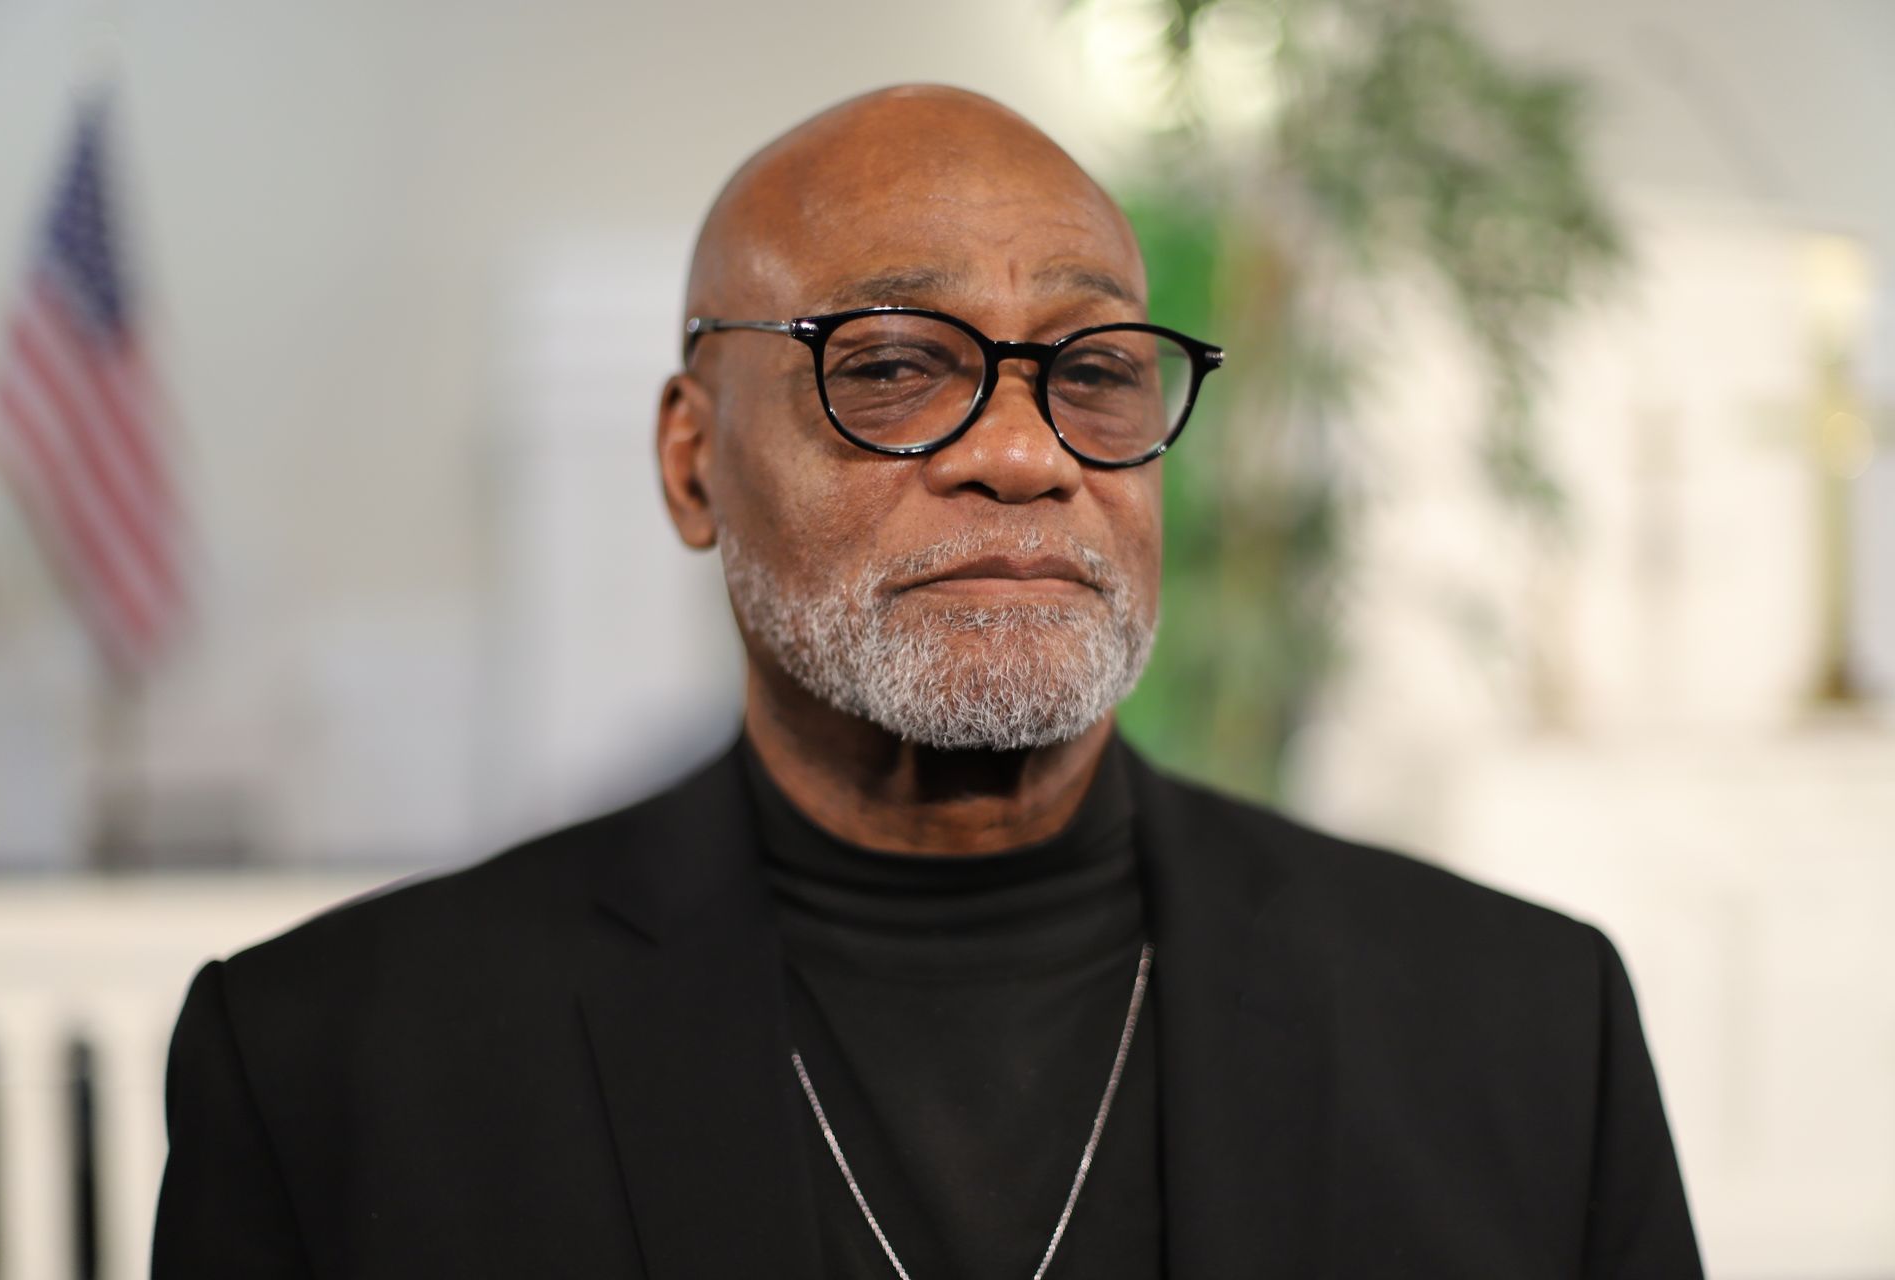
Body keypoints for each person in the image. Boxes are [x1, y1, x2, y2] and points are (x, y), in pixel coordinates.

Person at [152, 85, 1702, 1278]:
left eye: (1095, 371)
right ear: (694, 461)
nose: (1025, 454)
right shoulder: (335, 1067)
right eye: (891, 366)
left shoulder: (1519, 1034)